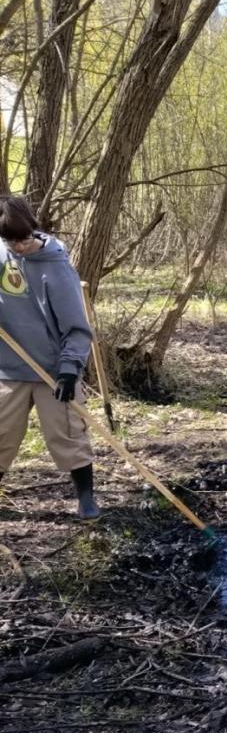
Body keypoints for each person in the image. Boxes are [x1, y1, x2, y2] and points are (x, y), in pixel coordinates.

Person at [0, 194, 99, 520]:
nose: (18, 247)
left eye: (23, 239)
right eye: (10, 241)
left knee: (68, 433)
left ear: (33, 228)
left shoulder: (57, 266)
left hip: (54, 371)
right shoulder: (3, 255)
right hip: (8, 367)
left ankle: (86, 499)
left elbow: (77, 328)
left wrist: (70, 370)